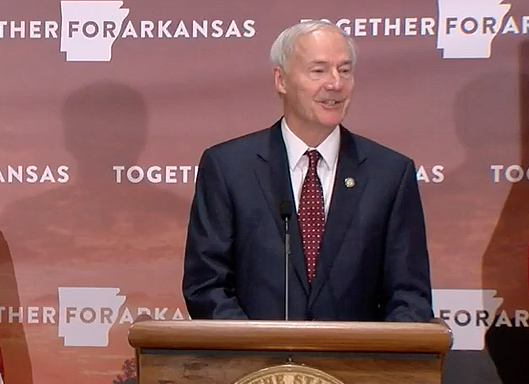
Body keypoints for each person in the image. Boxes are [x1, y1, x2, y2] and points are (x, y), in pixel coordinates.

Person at [182, 20, 433, 322]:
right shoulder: (228, 167)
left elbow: (409, 296)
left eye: (345, 70)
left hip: (354, 366)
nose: (335, 84)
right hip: (252, 366)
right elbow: (207, 286)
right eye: (319, 70)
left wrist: (372, 359)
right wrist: (258, 356)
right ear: (281, 80)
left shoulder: (390, 174)